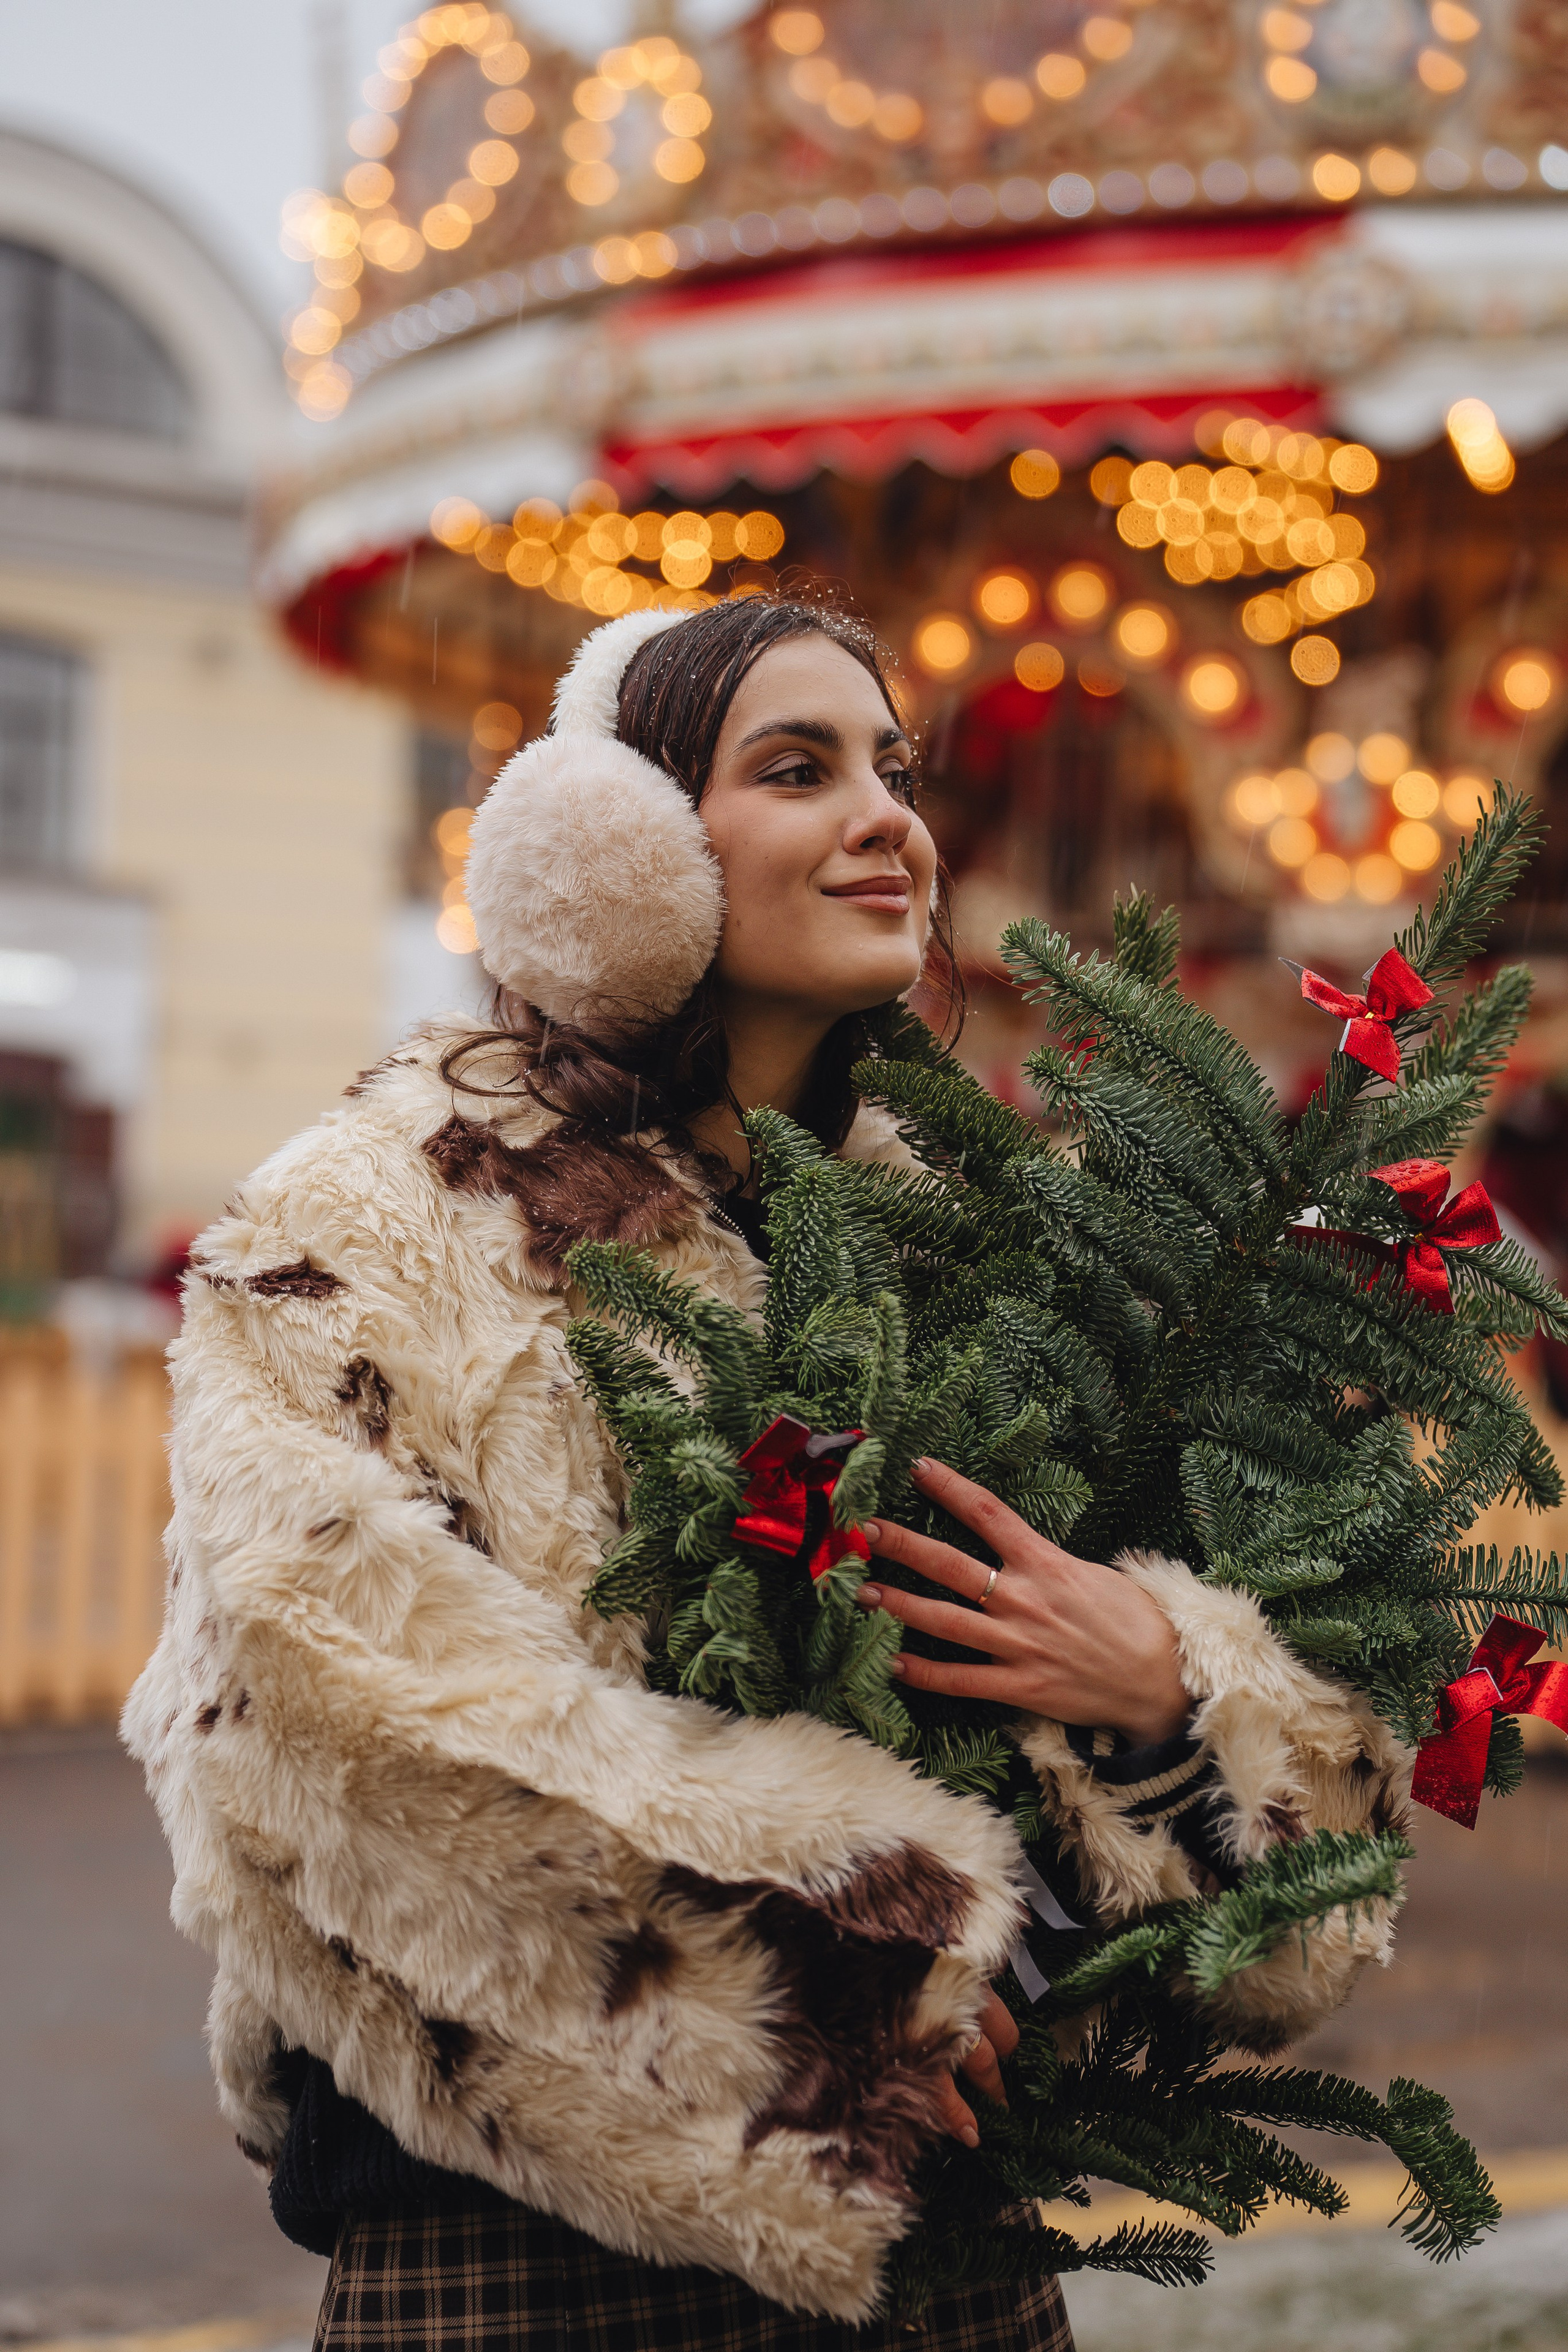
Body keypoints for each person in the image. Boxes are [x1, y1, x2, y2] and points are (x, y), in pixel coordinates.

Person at [125, 595, 1409, 2351]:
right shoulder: (366, 1225)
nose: (887, 816)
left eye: (893, 767)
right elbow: (329, 1707)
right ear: (617, 852)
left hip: (937, 2251)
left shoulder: (966, 1244)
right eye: (798, 768)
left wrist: (1168, 1692)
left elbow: (1280, 1852)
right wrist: (855, 1964)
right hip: (526, 2249)